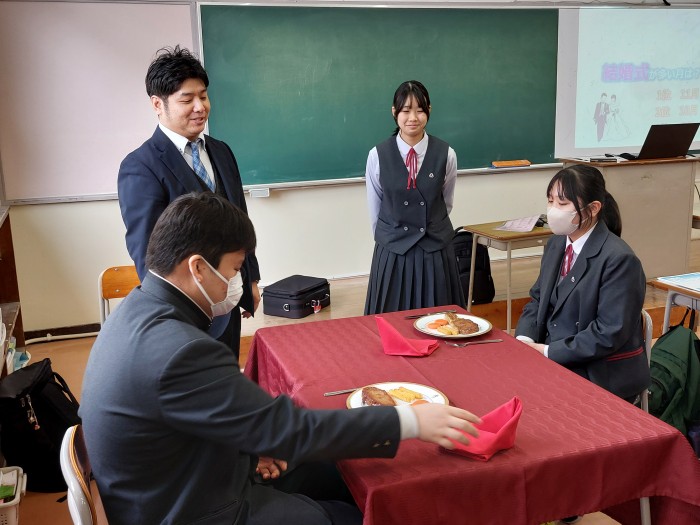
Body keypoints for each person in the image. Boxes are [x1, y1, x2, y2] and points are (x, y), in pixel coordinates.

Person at [80, 192, 481, 525]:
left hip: (172, 482)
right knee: (356, 511)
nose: (236, 282)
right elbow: (288, 429)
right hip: (193, 508)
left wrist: (251, 446)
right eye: (235, 269)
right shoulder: (180, 349)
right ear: (198, 268)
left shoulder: (138, 310)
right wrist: (409, 421)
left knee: (340, 472)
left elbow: (218, 420)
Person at [117, 45, 259, 360]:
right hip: (186, 315)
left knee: (225, 375)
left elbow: (240, 218)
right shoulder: (140, 166)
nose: (200, 107)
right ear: (158, 104)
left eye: (203, 96)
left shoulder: (221, 151)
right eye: (187, 99)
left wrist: (251, 280)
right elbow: (146, 252)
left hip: (230, 302)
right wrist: (173, 316)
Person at [515, 164, 650, 402]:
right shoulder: (556, 243)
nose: (553, 210)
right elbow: (537, 298)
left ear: (593, 208)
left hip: (598, 371)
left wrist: (548, 351)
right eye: (550, 201)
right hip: (555, 358)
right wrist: (525, 339)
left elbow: (609, 332)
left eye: (563, 203)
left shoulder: (619, 259)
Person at [364, 80, 465, 314]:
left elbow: (446, 202)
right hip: (393, 250)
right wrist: (389, 240)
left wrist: (428, 227)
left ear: (429, 110)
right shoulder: (377, 155)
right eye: (406, 110)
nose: (413, 118)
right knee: (391, 319)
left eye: (420, 110)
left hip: (435, 248)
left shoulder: (447, 154)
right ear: (394, 112)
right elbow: (375, 206)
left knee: (439, 320)